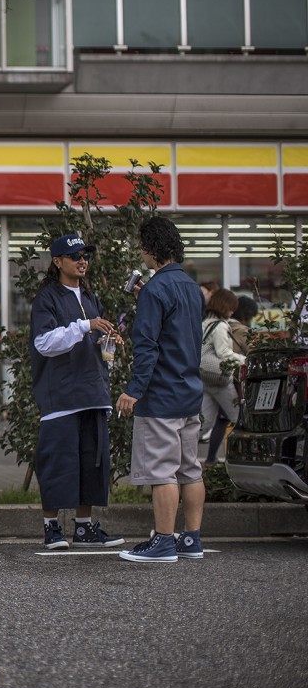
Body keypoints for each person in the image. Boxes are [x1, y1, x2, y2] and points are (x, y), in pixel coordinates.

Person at [116, 216, 206, 563]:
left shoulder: (155, 289)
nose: (142, 254)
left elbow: (148, 346)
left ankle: (164, 542)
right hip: (189, 391)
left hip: (161, 395)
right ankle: (191, 540)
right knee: (190, 470)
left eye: (142, 247)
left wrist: (133, 390)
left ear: (152, 248)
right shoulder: (190, 286)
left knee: (161, 472)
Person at [29, 234, 125, 550]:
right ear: (58, 262)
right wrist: (85, 327)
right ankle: (51, 528)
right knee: (58, 463)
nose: (82, 261)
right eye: (75, 256)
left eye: (86, 255)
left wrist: (107, 342)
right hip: (60, 396)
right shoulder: (47, 298)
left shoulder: (90, 297)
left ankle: (84, 528)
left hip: (93, 392)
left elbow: (88, 340)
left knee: (92, 463)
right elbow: (44, 343)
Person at [200, 290, 247, 463]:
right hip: (219, 379)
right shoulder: (219, 326)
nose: (232, 312)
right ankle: (241, 458)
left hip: (205, 377)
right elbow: (224, 353)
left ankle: (179, 453)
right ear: (226, 306)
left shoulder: (206, 322)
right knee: (238, 418)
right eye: (231, 308)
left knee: (203, 422)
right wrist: (244, 361)